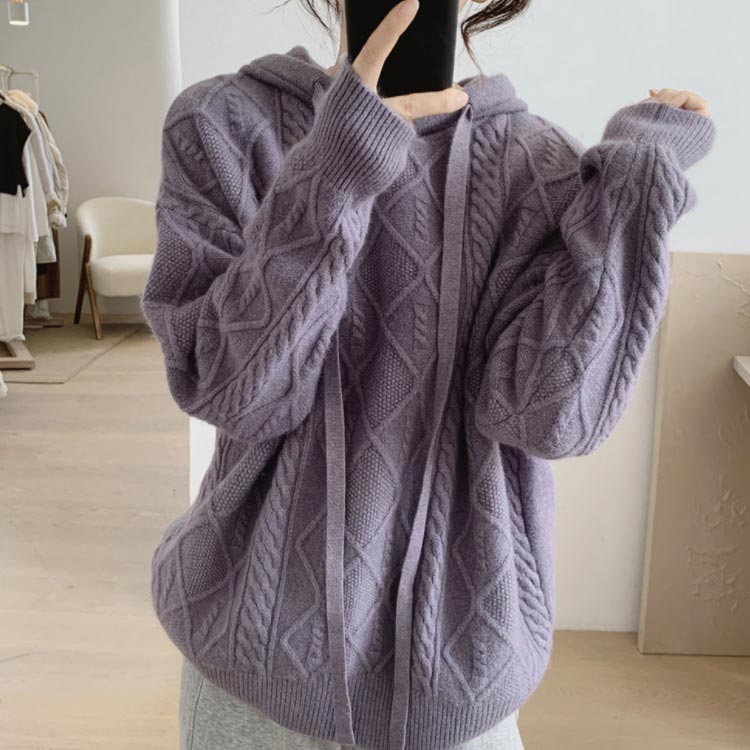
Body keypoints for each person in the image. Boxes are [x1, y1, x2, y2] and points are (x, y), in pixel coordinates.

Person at [140, 0, 716, 748]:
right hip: (251, 661)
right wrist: (335, 169)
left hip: (463, 674)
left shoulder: (541, 166)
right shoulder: (222, 125)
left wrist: (636, 184)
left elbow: (547, 418)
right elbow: (230, 391)